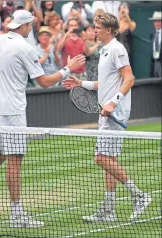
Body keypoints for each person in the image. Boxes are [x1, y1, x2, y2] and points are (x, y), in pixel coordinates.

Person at [0, 10, 85, 228]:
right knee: (14, 160)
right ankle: (16, 215)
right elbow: (45, 82)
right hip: (13, 112)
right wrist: (69, 68)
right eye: (30, 25)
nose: (31, 28)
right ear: (23, 26)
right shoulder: (26, 48)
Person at [63, 13, 151, 222]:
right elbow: (102, 84)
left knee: (100, 158)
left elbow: (129, 79)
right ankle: (109, 209)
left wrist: (113, 102)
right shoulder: (104, 51)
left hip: (115, 111)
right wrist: (79, 83)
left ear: (109, 30)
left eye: (97, 27)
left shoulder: (117, 49)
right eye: (94, 27)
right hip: (106, 110)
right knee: (108, 159)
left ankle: (139, 195)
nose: (94, 30)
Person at [149, 11, 162, 77]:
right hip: (155, 63)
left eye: (159, 21)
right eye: (155, 21)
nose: (157, 23)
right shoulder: (153, 34)